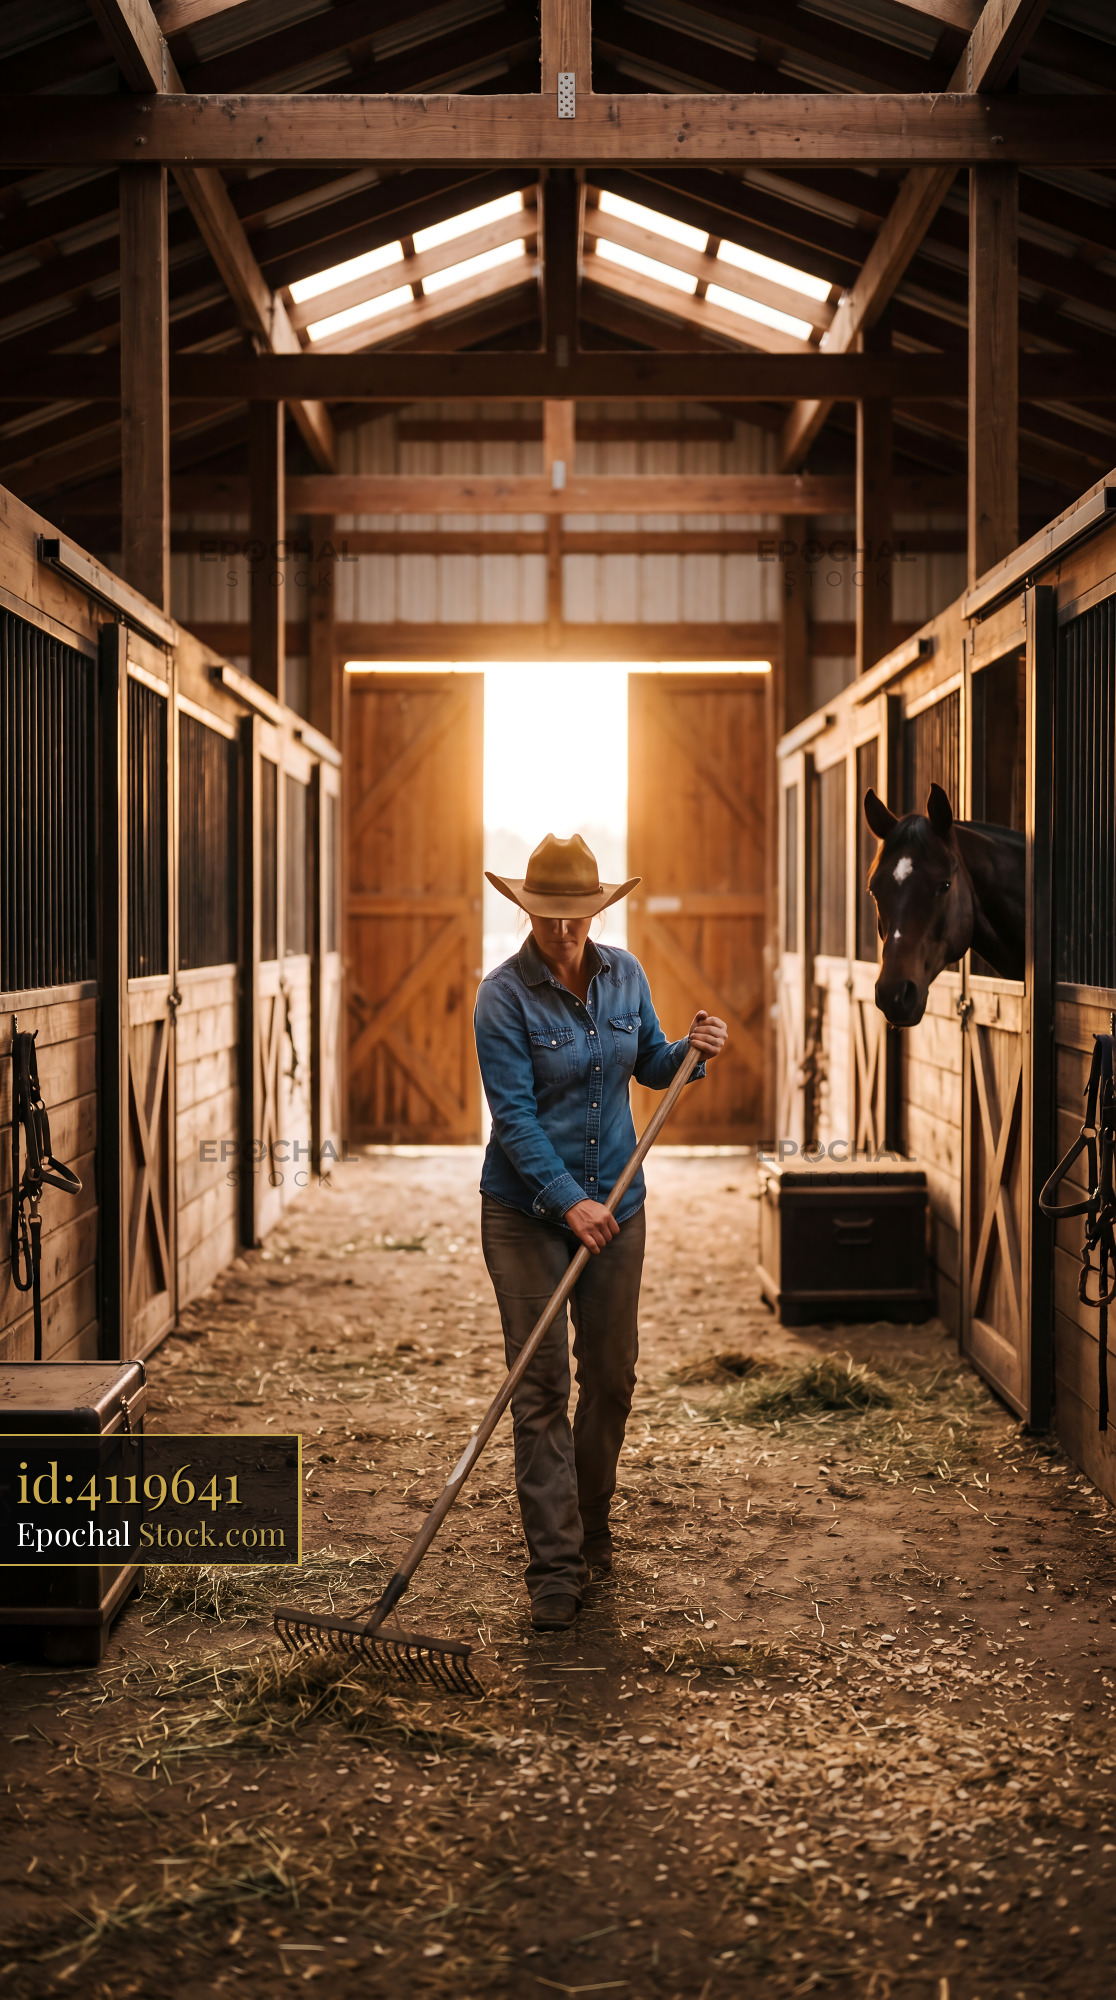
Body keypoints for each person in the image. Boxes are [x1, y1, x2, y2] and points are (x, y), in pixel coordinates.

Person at [473, 832, 728, 1632]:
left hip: (620, 1205)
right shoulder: (502, 996)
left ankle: (589, 1525)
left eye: (576, 915)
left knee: (611, 1376)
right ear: (527, 911)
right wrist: (564, 1202)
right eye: (548, 916)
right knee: (540, 1385)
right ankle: (553, 1568)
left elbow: (652, 1062)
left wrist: (694, 1050)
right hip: (525, 1214)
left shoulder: (627, 975)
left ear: (596, 909)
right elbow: (512, 1118)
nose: (563, 930)